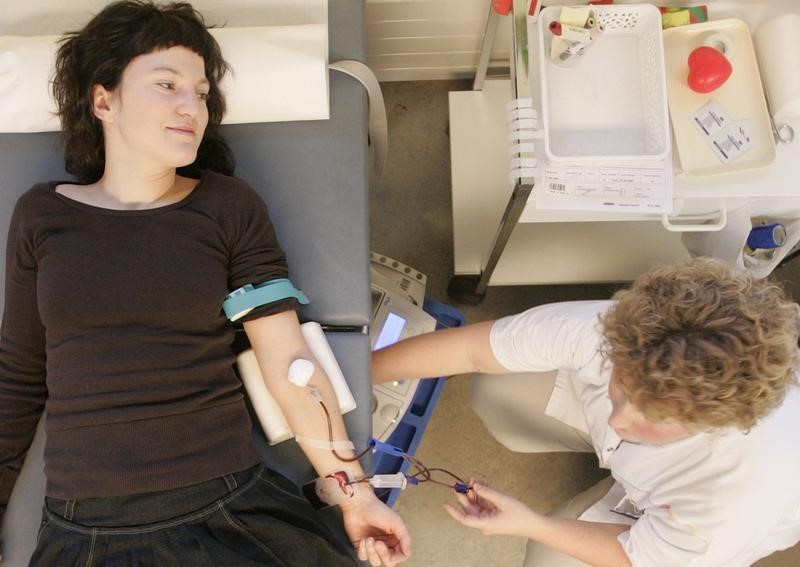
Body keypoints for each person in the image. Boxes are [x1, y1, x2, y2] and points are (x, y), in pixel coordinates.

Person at [0, 2, 410, 566]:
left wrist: (354, 494)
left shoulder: (225, 206)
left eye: (200, 91)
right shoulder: (42, 216)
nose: (191, 105)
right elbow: (18, 378)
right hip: (86, 533)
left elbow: (289, 361)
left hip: (227, 510)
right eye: (166, 84)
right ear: (103, 100)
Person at [372, 258, 800, 566]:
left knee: (549, 560)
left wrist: (531, 524)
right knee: (495, 386)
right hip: (666, 475)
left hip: (687, 523)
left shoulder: (731, 502)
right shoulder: (631, 331)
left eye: (651, 416)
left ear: (711, 424)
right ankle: (615, 460)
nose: (618, 421)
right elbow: (472, 349)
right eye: (622, 385)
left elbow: (635, 556)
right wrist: (356, 379)